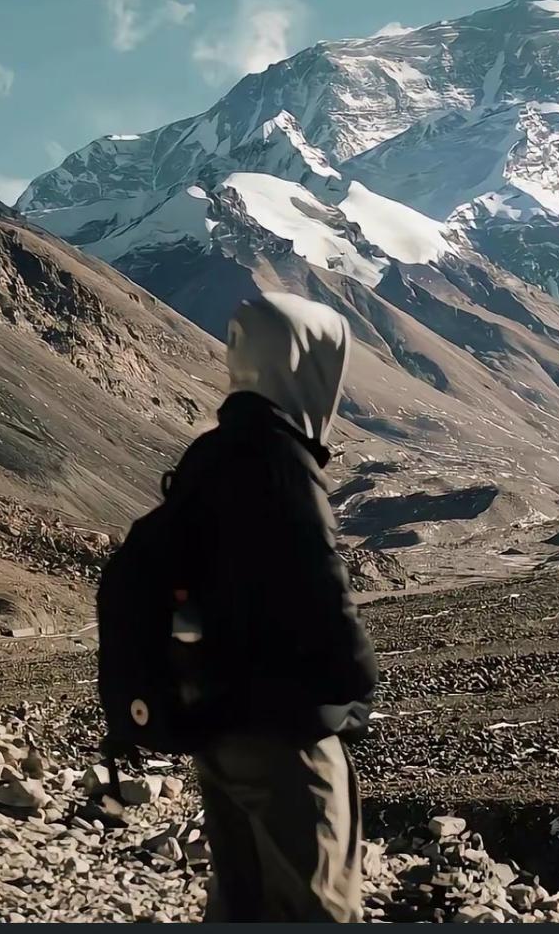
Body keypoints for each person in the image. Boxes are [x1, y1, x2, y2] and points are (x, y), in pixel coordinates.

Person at [170, 291, 378, 923]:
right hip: (287, 726)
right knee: (315, 902)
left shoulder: (207, 454)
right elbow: (320, 589)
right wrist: (355, 684)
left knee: (242, 894)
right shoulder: (284, 463)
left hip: (217, 718)